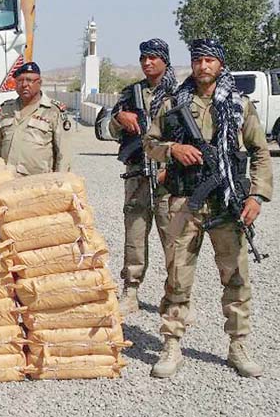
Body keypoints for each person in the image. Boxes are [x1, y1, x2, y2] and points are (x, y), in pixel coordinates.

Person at [144, 38, 273, 379]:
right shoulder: (172, 104)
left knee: (235, 277)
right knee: (178, 276)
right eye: (197, 60)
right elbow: (149, 144)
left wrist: (256, 196)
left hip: (228, 204)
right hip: (185, 201)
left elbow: (260, 153)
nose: (203, 66)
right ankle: (172, 343)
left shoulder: (239, 105)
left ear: (220, 64)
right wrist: (173, 150)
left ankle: (238, 345)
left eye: (209, 61)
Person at [108, 39, 177, 316]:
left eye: (152, 58)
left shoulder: (179, 94)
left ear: (164, 60)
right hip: (138, 174)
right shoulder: (130, 94)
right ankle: (131, 290)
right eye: (143, 59)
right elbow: (108, 130)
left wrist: (169, 168)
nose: (147, 63)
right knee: (134, 235)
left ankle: (175, 296)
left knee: (173, 238)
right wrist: (119, 119)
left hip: (169, 178)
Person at [0, 61, 69, 174]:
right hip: (6, 181)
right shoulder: (6, 109)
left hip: (37, 184)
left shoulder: (53, 111)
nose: (24, 84)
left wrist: (59, 183)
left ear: (40, 83)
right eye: (20, 81)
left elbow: (63, 155)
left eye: (30, 80)